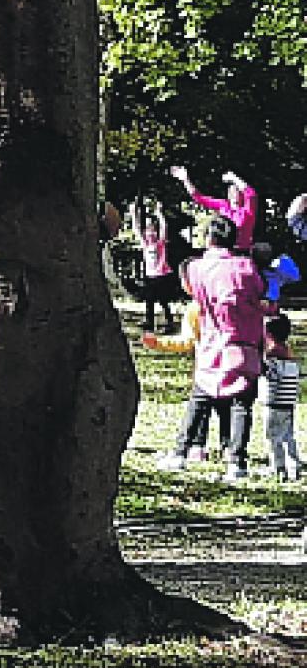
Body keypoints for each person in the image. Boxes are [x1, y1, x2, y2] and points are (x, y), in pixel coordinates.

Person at [155, 216, 266, 481]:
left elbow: (193, 292)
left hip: (213, 342)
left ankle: (180, 452)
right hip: (245, 342)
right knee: (242, 404)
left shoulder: (198, 268)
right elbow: (259, 292)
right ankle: (237, 461)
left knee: (200, 398)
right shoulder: (247, 266)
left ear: (210, 239)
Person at [174, 165, 258, 253]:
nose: (234, 194)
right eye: (231, 191)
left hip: (242, 252)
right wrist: (185, 180)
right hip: (224, 251)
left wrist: (234, 178)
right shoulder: (223, 205)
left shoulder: (247, 210)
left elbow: (251, 194)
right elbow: (199, 198)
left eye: (237, 191)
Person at [130, 198, 183, 336]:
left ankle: (169, 323)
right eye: (147, 230)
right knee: (149, 301)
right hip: (150, 276)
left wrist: (159, 213)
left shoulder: (160, 243)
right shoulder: (145, 244)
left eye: (152, 230)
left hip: (162, 276)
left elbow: (164, 227)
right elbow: (136, 228)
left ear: (155, 231)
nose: (150, 234)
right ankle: (149, 323)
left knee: (163, 301)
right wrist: (134, 213)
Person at [262, 315, 300, 481]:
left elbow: (271, 377)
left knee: (273, 437)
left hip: (275, 403)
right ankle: (294, 466)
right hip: (289, 402)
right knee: (287, 435)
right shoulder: (289, 354)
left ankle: (278, 468)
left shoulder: (272, 355)